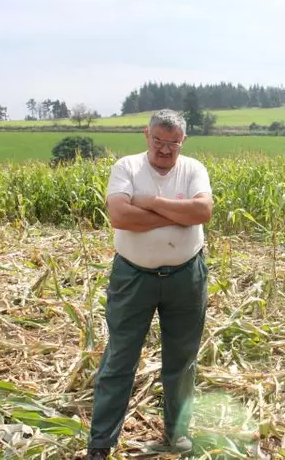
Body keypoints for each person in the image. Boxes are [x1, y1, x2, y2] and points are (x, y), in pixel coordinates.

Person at [87, 109, 213, 460]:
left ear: (182, 142)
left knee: (182, 361)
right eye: (158, 141)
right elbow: (120, 216)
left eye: (172, 143)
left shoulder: (193, 169)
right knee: (119, 360)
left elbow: (201, 213)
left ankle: (178, 435)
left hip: (186, 278)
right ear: (147, 135)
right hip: (133, 277)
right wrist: (176, 212)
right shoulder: (126, 168)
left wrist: (152, 205)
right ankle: (101, 443)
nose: (164, 150)